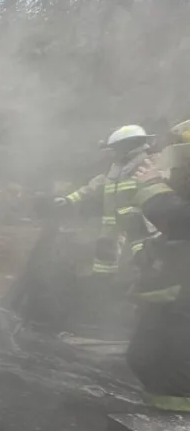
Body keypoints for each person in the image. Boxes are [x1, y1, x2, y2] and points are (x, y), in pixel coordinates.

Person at [124, 119, 190, 411]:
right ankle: (157, 427)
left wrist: (151, 185)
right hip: (171, 295)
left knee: (175, 369)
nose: (176, 167)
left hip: (182, 302)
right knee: (145, 358)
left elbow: (178, 221)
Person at [55, 124, 155, 276]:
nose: (112, 152)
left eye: (115, 148)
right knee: (105, 253)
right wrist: (69, 199)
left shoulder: (149, 163)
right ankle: (102, 283)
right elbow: (96, 185)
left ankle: (146, 281)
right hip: (113, 221)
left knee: (144, 253)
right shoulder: (117, 167)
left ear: (127, 146)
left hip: (138, 220)